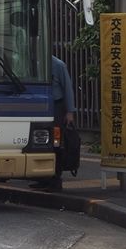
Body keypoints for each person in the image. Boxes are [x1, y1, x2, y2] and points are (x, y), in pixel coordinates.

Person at [33, 55, 76, 190]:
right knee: (39, 141)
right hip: (40, 106)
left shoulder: (58, 65)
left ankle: (55, 179)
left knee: (55, 143)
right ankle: (42, 178)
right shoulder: (33, 62)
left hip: (56, 106)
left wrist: (70, 112)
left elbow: (67, 88)